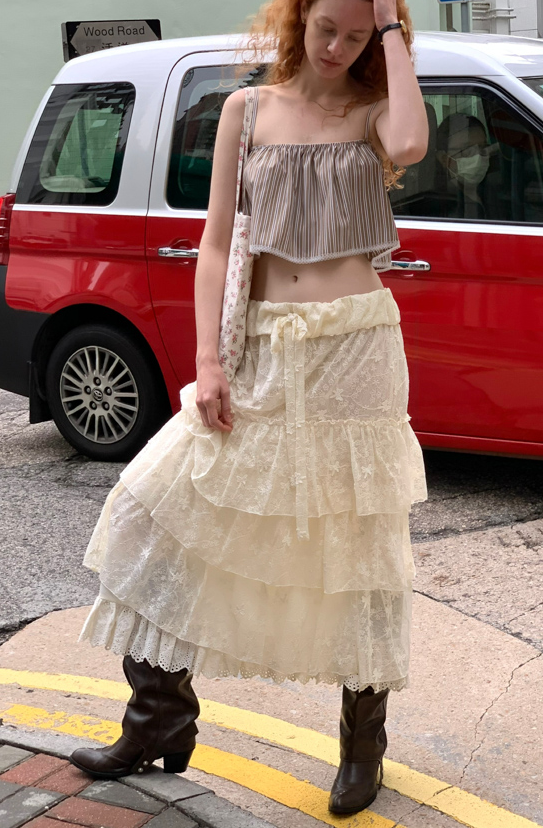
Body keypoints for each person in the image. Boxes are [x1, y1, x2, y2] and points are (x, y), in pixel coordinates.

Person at [69, 0, 429, 816]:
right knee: (149, 513)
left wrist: (391, 26)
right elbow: (217, 242)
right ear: (298, 18)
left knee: (358, 545)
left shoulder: (374, 110)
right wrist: (207, 360)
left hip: (355, 348)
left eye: (357, 35)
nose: (336, 46)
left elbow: (410, 144)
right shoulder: (247, 108)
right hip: (259, 344)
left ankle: (362, 745)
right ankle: (160, 719)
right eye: (326, 27)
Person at [435, 112, 494, 220]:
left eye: (482, 147)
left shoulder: (491, 190)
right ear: (443, 158)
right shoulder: (441, 206)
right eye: (466, 150)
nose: (478, 158)